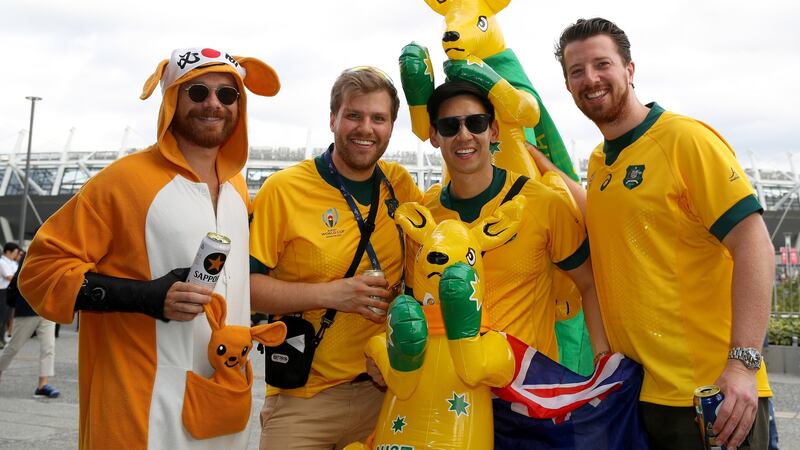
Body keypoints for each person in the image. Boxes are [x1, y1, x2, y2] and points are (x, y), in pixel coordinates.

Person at [19, 47, 280, 449]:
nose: (214, 103)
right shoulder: (122, 181)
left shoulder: (238, 190)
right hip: (138, 412)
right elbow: (39, 273)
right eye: (197, 92)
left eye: (227, 95)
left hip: (221, 405)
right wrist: (145, 296)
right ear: (172, 99)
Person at [539, 18, 774, 450]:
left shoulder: (684, 140)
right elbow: (602, 215)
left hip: (712, 396)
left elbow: (754, 243)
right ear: (569, 87)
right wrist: (533, 159)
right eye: (576, 71)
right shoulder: (599, 161)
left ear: (629, 69)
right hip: (640, 395)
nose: (590, 79)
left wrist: (743, 364)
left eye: (601, 64)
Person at [249, 66, 422, 450]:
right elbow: (247, 289)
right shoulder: (284, 190)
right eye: (354, 116)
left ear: (391, 126)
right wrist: (332, 294)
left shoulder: (401, 186)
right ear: (333, 120)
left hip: (384, 394)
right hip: (303, 400)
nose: (366, 128)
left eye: (379, 118)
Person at [421, 80, 609, 371]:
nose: (464, 135)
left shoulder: (541, 202)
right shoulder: (428, 214)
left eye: (476, 123)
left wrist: (602, 361)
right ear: (434, 135)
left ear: (493, 130)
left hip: (528, 393)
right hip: (457, 394)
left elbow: (588, 282)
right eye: (449, 126)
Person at [0, 252, 60, 398]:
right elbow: (21, 279)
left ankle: (42, 385)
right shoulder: (31, 254)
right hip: (28, 309)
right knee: (13, 347)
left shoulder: (58, 255)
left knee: (48, 347)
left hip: (47, 310)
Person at [0, 242, 21, 348]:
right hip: (2, 291)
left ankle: (3, 337)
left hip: (10, 292)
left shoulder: (12, 263)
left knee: (9, 316)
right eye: (15, 253)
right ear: (8, 251)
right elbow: (10, 277)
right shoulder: (2, 262)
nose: (16, 255)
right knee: (2, 316)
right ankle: (0, 339)